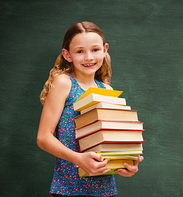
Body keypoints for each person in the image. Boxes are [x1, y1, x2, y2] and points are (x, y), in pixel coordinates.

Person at [37, 21, 143, 197]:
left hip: (105, 190)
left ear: (104, 49)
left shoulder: (107, 91)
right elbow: (43, 137)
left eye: (95, 49)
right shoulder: (64, 83)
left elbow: (111, 142)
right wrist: (78, 159)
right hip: (68, 189)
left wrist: (128, 162)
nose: (88, 57)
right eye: (80, 51)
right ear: (67, 54)